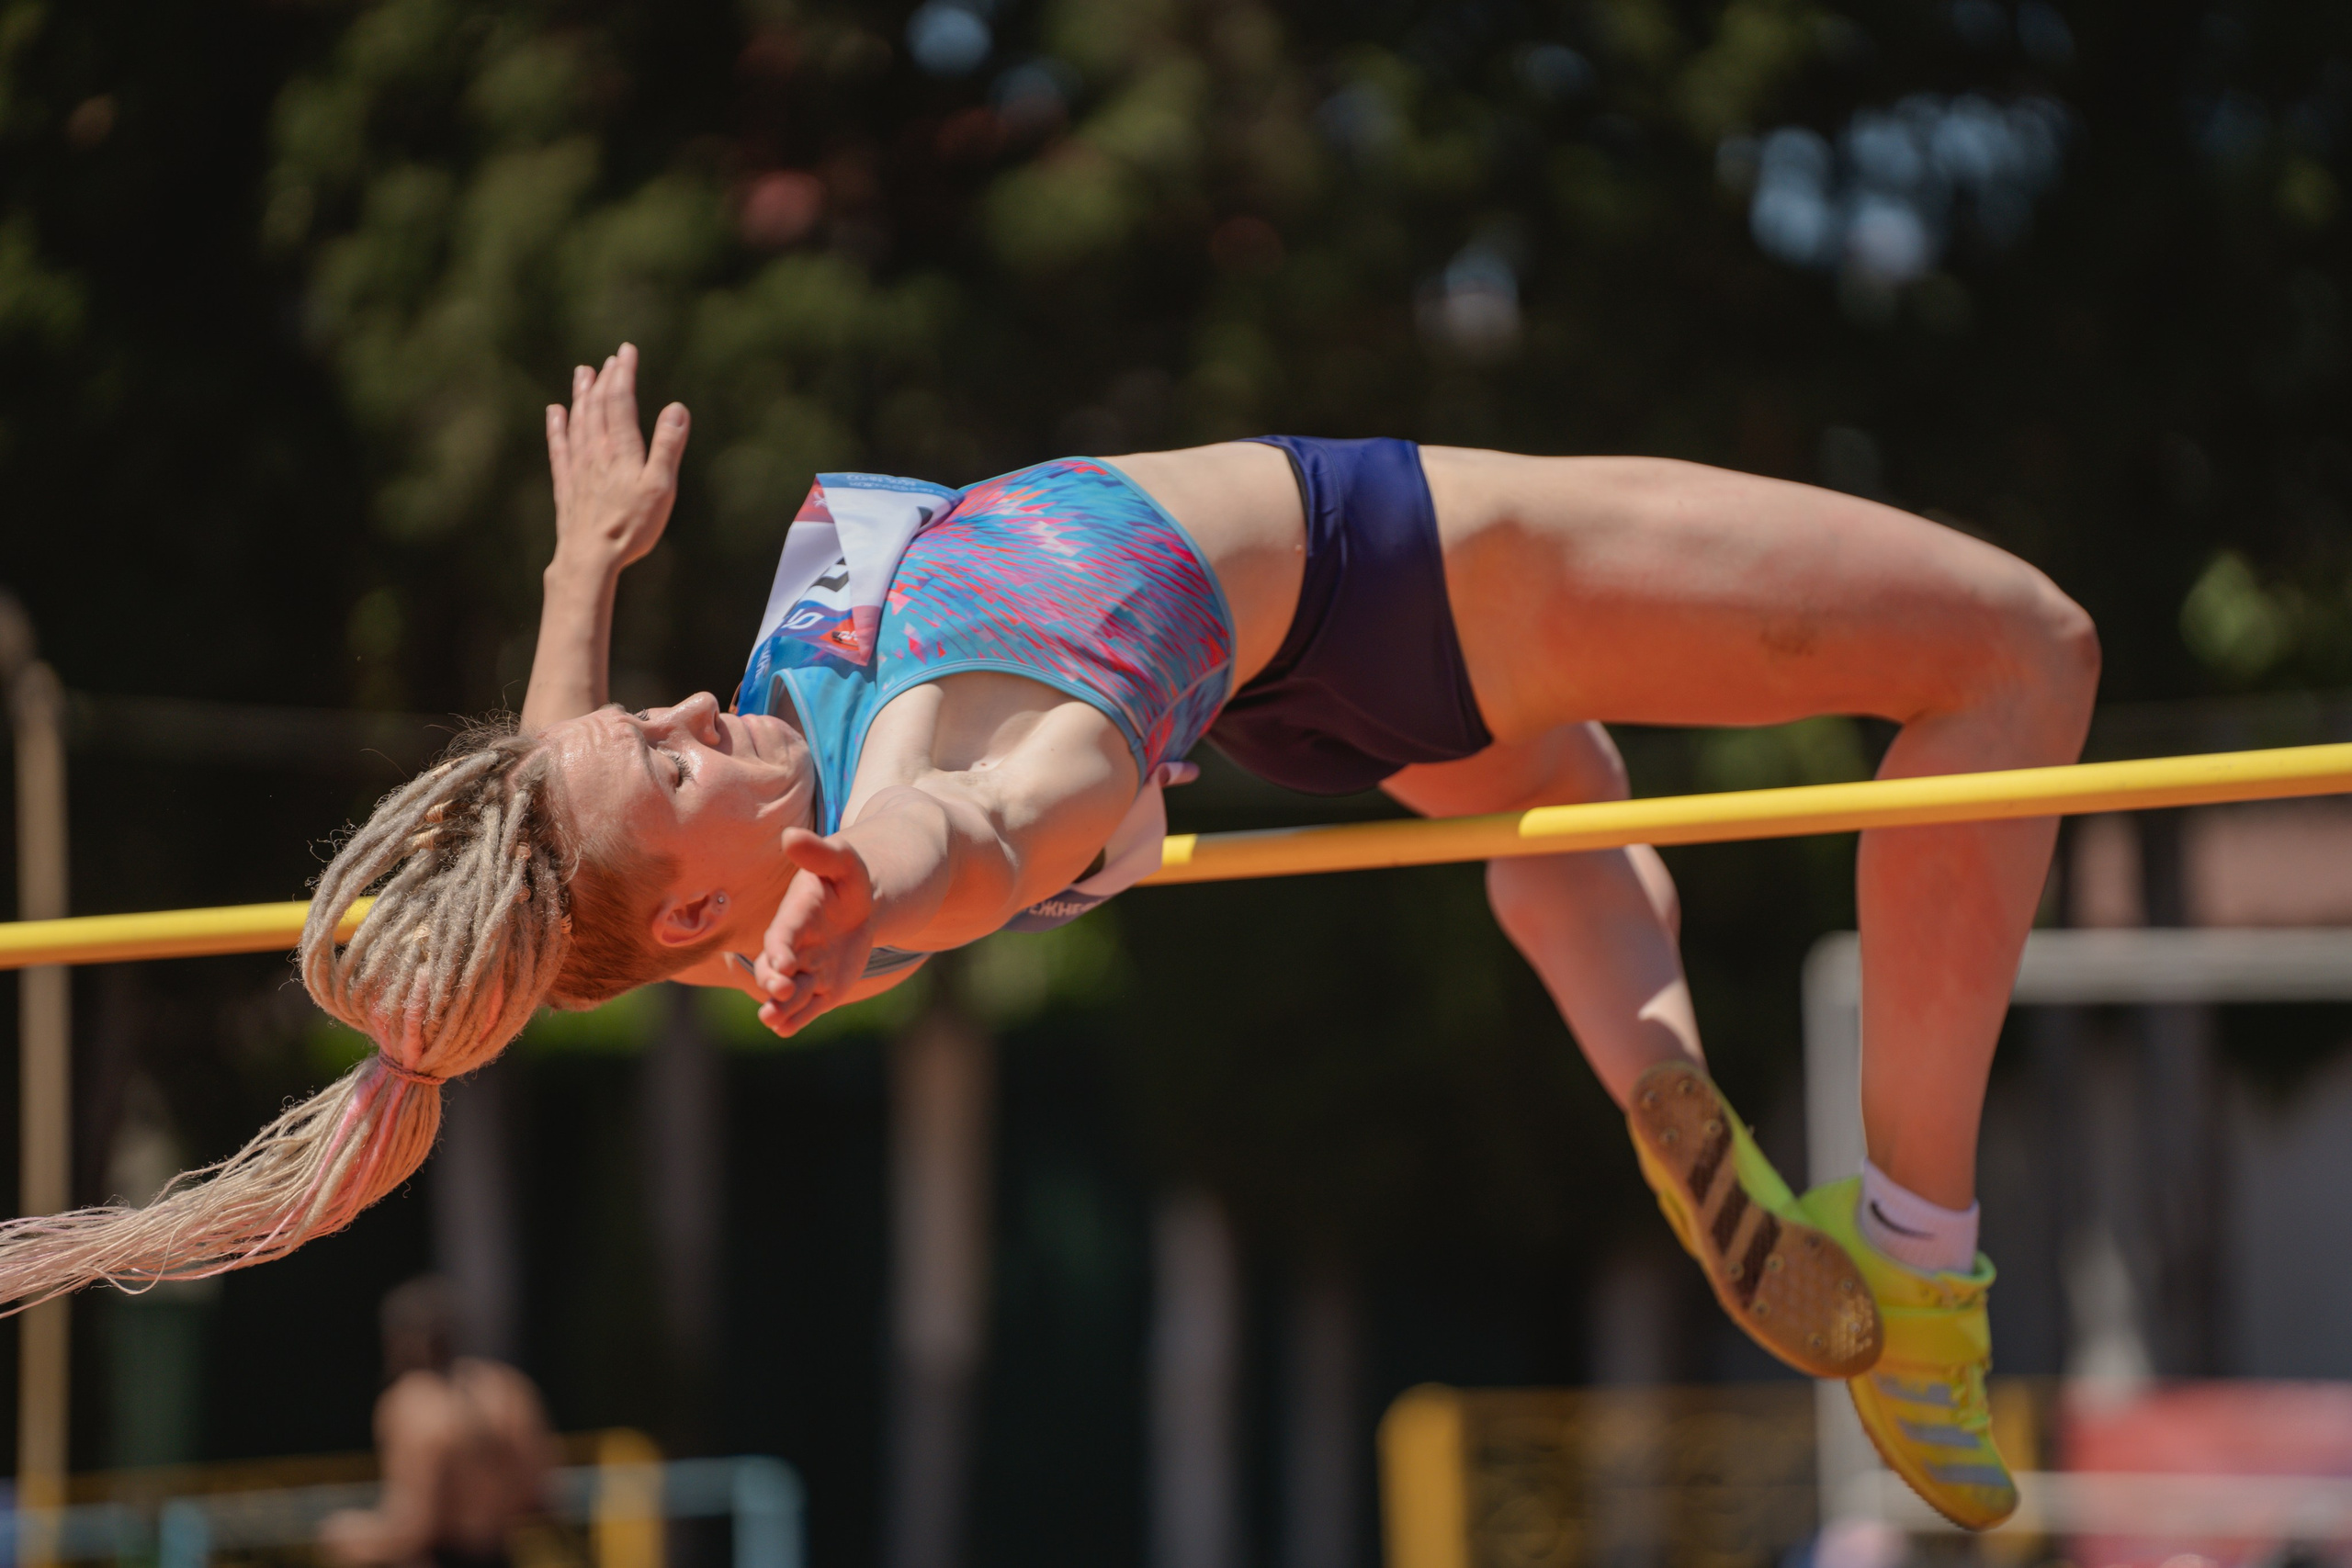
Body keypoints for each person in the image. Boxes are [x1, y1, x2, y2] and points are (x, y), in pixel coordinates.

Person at [0, 344, 2095, 1530]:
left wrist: (582, 565)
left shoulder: (667, 893)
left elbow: (578, 805)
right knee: (2013, 652)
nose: (667, 714)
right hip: (1366, 569)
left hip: (1263, 688)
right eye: (668, 755)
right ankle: (1915, 1259)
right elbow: (967, 825)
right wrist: (878, 883)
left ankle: (1651, 1065)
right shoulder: (944, 764)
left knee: (1566, 806)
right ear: (730, 896)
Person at [320, 1277, 557, 1568]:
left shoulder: (410, 1403)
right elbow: (538, 1492)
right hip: (500, 1554)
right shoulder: (509, 1390)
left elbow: (416, 1526)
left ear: (400, 1340)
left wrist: (351, 1537)